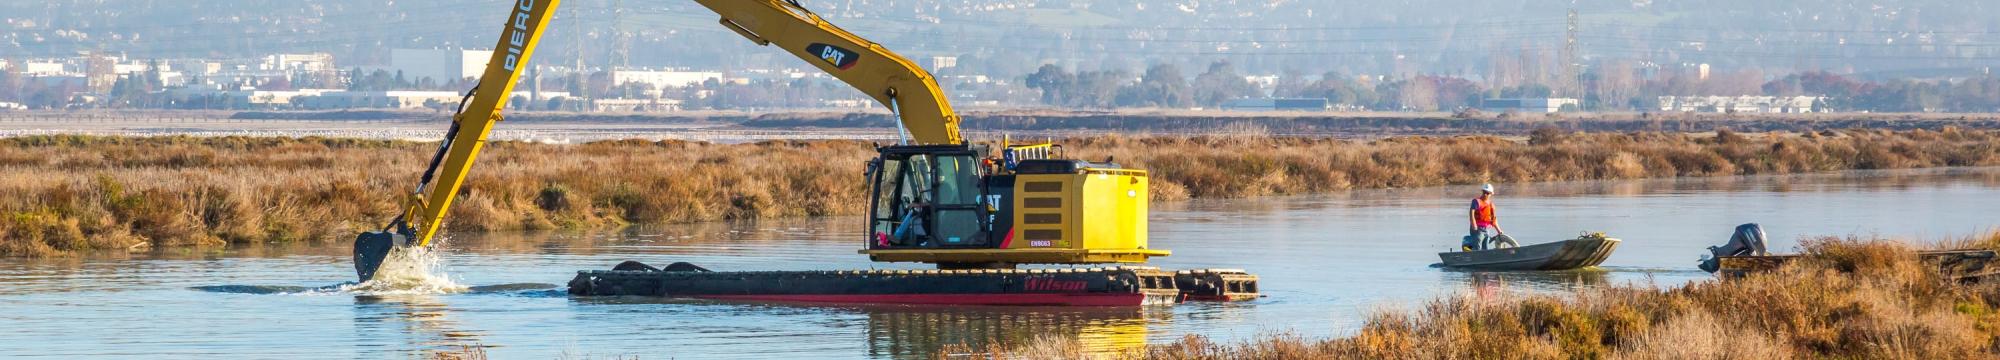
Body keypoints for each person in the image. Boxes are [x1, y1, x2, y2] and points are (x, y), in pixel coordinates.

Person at [1466, 184, 1505, 250]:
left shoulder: (1491, 204)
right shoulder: (1476, 201)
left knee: (1485, 247)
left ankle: (1484, 258)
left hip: (1487, 229)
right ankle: (1474, 255)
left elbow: (1494, 219)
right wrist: (1474, 224)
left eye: (1487, 193)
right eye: (1484, 192)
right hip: (1477, 229)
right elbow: (1471, 213)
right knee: (1477, 246)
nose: (1485, 194)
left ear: (1491, 194)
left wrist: (1499, 230)